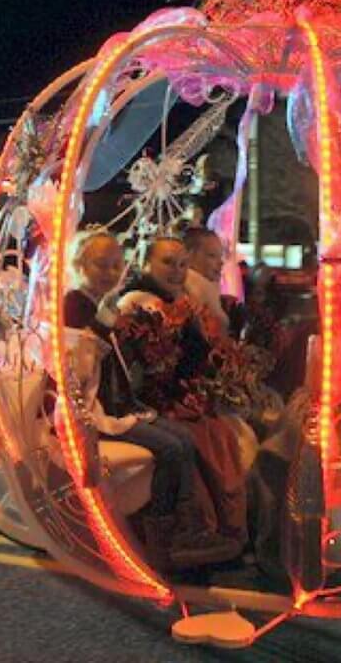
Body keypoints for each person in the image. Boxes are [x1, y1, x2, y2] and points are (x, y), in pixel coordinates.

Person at [63, 231, 240, 569]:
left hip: (121, 400)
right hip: (94, 407)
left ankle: (186, 528)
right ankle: (163, 534)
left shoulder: (112, 305)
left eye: (116, 265)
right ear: (79, 265)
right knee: (173, 447)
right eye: (101, 264)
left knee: (185, 438)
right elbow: (79, 361)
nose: (110, 272)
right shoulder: (78, 304)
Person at [117, 237, 249, 549]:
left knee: (222, 432)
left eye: (181, 265)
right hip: (152, 400)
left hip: (181, 395)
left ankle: (226, 530)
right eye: (167, 262)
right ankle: (185, 531)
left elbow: (198, 358)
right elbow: (141, 371)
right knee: (202, 436)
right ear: (147, 263)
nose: (176, 271)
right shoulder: (136, 303)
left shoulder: (183, 303)